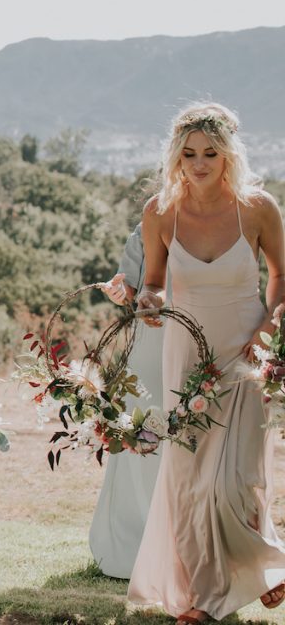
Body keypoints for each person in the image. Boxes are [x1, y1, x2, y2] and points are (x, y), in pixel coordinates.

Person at [128, 103, 285, 624]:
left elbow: (282, 275)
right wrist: (147, 302)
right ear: (176, 156)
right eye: (189, 153)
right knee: (190, 480)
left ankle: (263, 561)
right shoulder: (160, 212)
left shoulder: (258, 208)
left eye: (210, 153)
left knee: (236, 480)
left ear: (228, 156)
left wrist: (265, 329)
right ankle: (204, 598)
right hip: (185, 350)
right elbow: (152, 282)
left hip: (244, 352)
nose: (199, 163)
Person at [91, 224, 163, 578]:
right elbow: (129, 289)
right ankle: (141, 537)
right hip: (152, 338)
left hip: (204, 333)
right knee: (145, 431)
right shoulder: (148, 223)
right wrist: (119, 291)